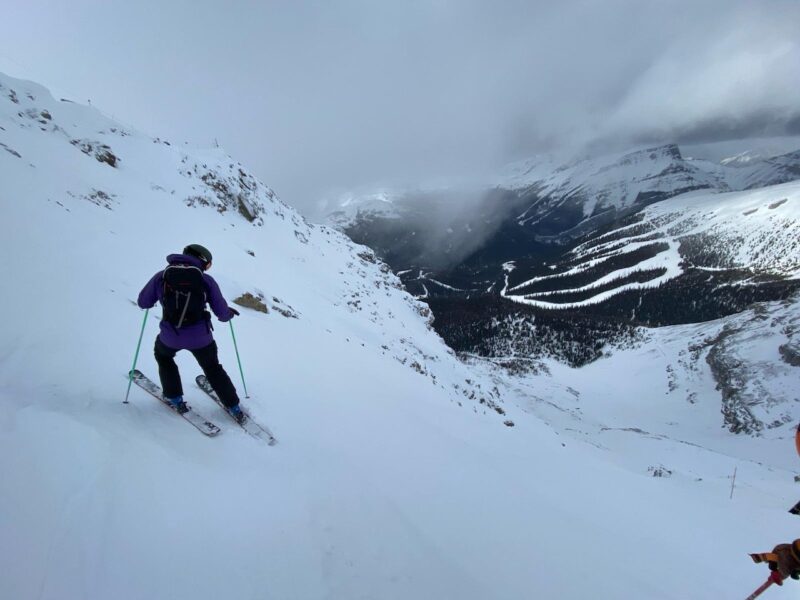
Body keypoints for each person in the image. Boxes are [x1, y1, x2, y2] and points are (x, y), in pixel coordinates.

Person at [137, 244, 244, 422]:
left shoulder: (161, 277)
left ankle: (174, 397)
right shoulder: (205, 280)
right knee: (213, 368)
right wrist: (228, 314)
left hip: (170, 337)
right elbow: (222, 314)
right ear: (203, 262)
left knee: (164, 357)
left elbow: (143, 303)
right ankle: (233, 406)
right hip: (201, 338)